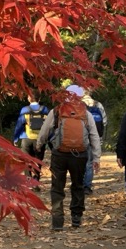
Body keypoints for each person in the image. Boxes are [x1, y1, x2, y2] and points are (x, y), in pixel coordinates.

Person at [36, 85, 102, 230]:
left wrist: (39, 144)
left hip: (59, 154)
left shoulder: (57, 111)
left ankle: (57, 221)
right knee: (78, 185)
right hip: (80, 155)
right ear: (79, 96)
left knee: (57, 187)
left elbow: (45, 130)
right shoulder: (86, 113)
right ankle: (76, 218)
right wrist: (96, 157)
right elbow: (94, 136)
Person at [11, 93, 50, 186]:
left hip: (26, 138)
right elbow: (49, 125)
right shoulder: (45, 110)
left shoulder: (25, 110)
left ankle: (28, 179)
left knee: (26, 160)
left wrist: (15, 138)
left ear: (29, 98)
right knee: (38, 160)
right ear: (39, 98)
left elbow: (19, 125)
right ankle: (36, 181)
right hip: (40, 140)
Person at [81, 90, 107, 195]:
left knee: (80, 161)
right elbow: (104, 121)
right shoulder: (98, 104)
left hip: (82, 137)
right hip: (95, 137)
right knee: (90, 163)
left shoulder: (78, 104)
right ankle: (87, 186)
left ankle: (79, 183)